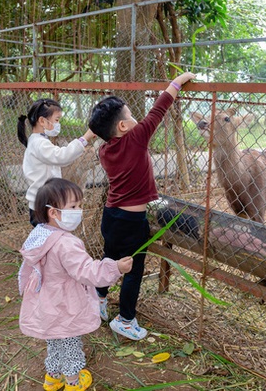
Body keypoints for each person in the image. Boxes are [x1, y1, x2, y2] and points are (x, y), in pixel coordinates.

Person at [88, 71, 195, 340]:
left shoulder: (104, 150)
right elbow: (159, 109)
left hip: (111, 217)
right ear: (124, 126)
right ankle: (125, 320)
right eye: (131, 115)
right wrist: (177, 82)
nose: (138, 119)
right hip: (132, 222)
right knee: (132, 270)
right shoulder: (136, 139)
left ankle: (98, 300)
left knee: (109, 260)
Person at [18, 177, 133, 391]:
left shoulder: (40, 234)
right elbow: (87, 272)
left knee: (53, 341)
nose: (79, 210)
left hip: (46, 303)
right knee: (70, 344)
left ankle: (52, 379)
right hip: (64, 305)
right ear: (53, 212)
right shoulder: (66, 244)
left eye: (80, 205)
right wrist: (115, 268)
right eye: (73, 206)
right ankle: (73, 383)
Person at [17, 98, 95, 226]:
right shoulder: (39, 143)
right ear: (42, 121)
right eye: (57, 120)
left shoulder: (37, 140)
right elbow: (61, 157)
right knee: (47, 238)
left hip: (42, 201)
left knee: (46, 237)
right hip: (43, 204)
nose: (58, 124)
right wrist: (85, 138)